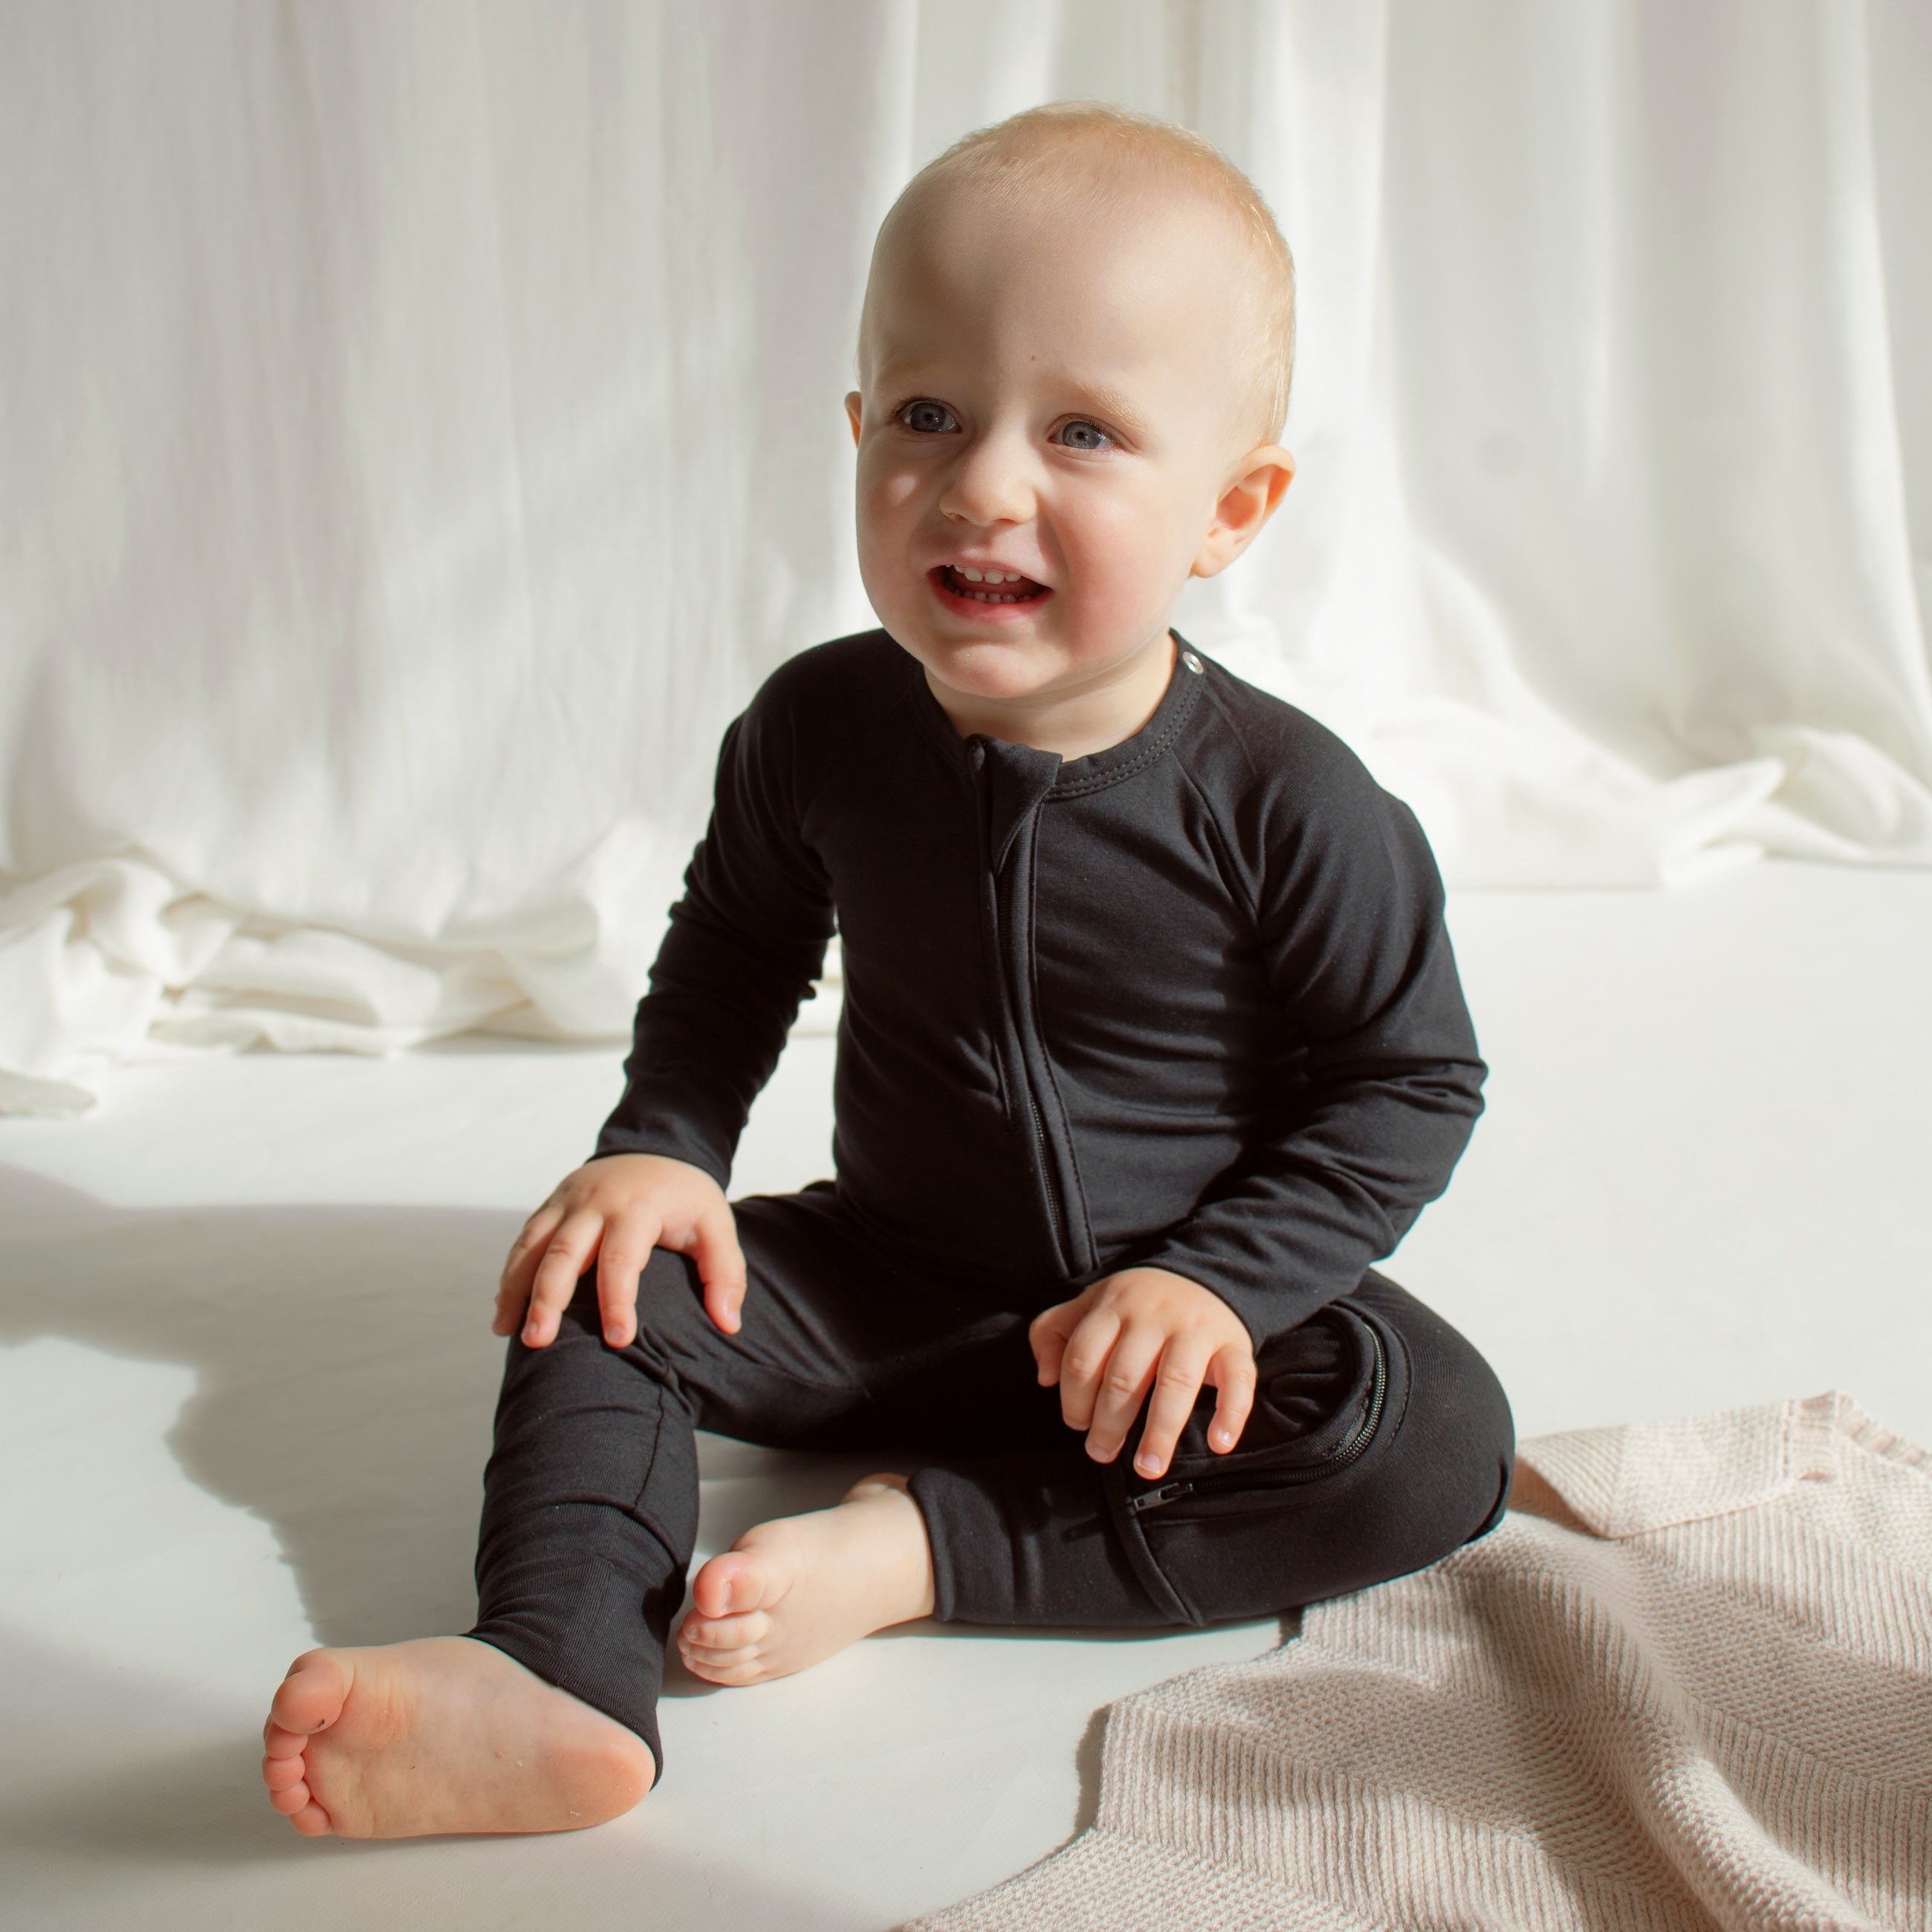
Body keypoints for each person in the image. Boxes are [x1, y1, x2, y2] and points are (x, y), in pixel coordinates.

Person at [260, 100, 1514, 1841]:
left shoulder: (1288, 801)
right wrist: (660, 1152)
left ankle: (929, 1547)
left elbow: (1410, 1080)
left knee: (1435, 1436)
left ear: (1230, 508)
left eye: (1082, 430)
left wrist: (1222, 1282)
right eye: (926, 413)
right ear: (858, 433)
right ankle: (549, 1673)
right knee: (598, 1289)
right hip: (893, 1280)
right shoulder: (819, 728)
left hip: (1156, 1325)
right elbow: (730, 960)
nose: (983, 481)